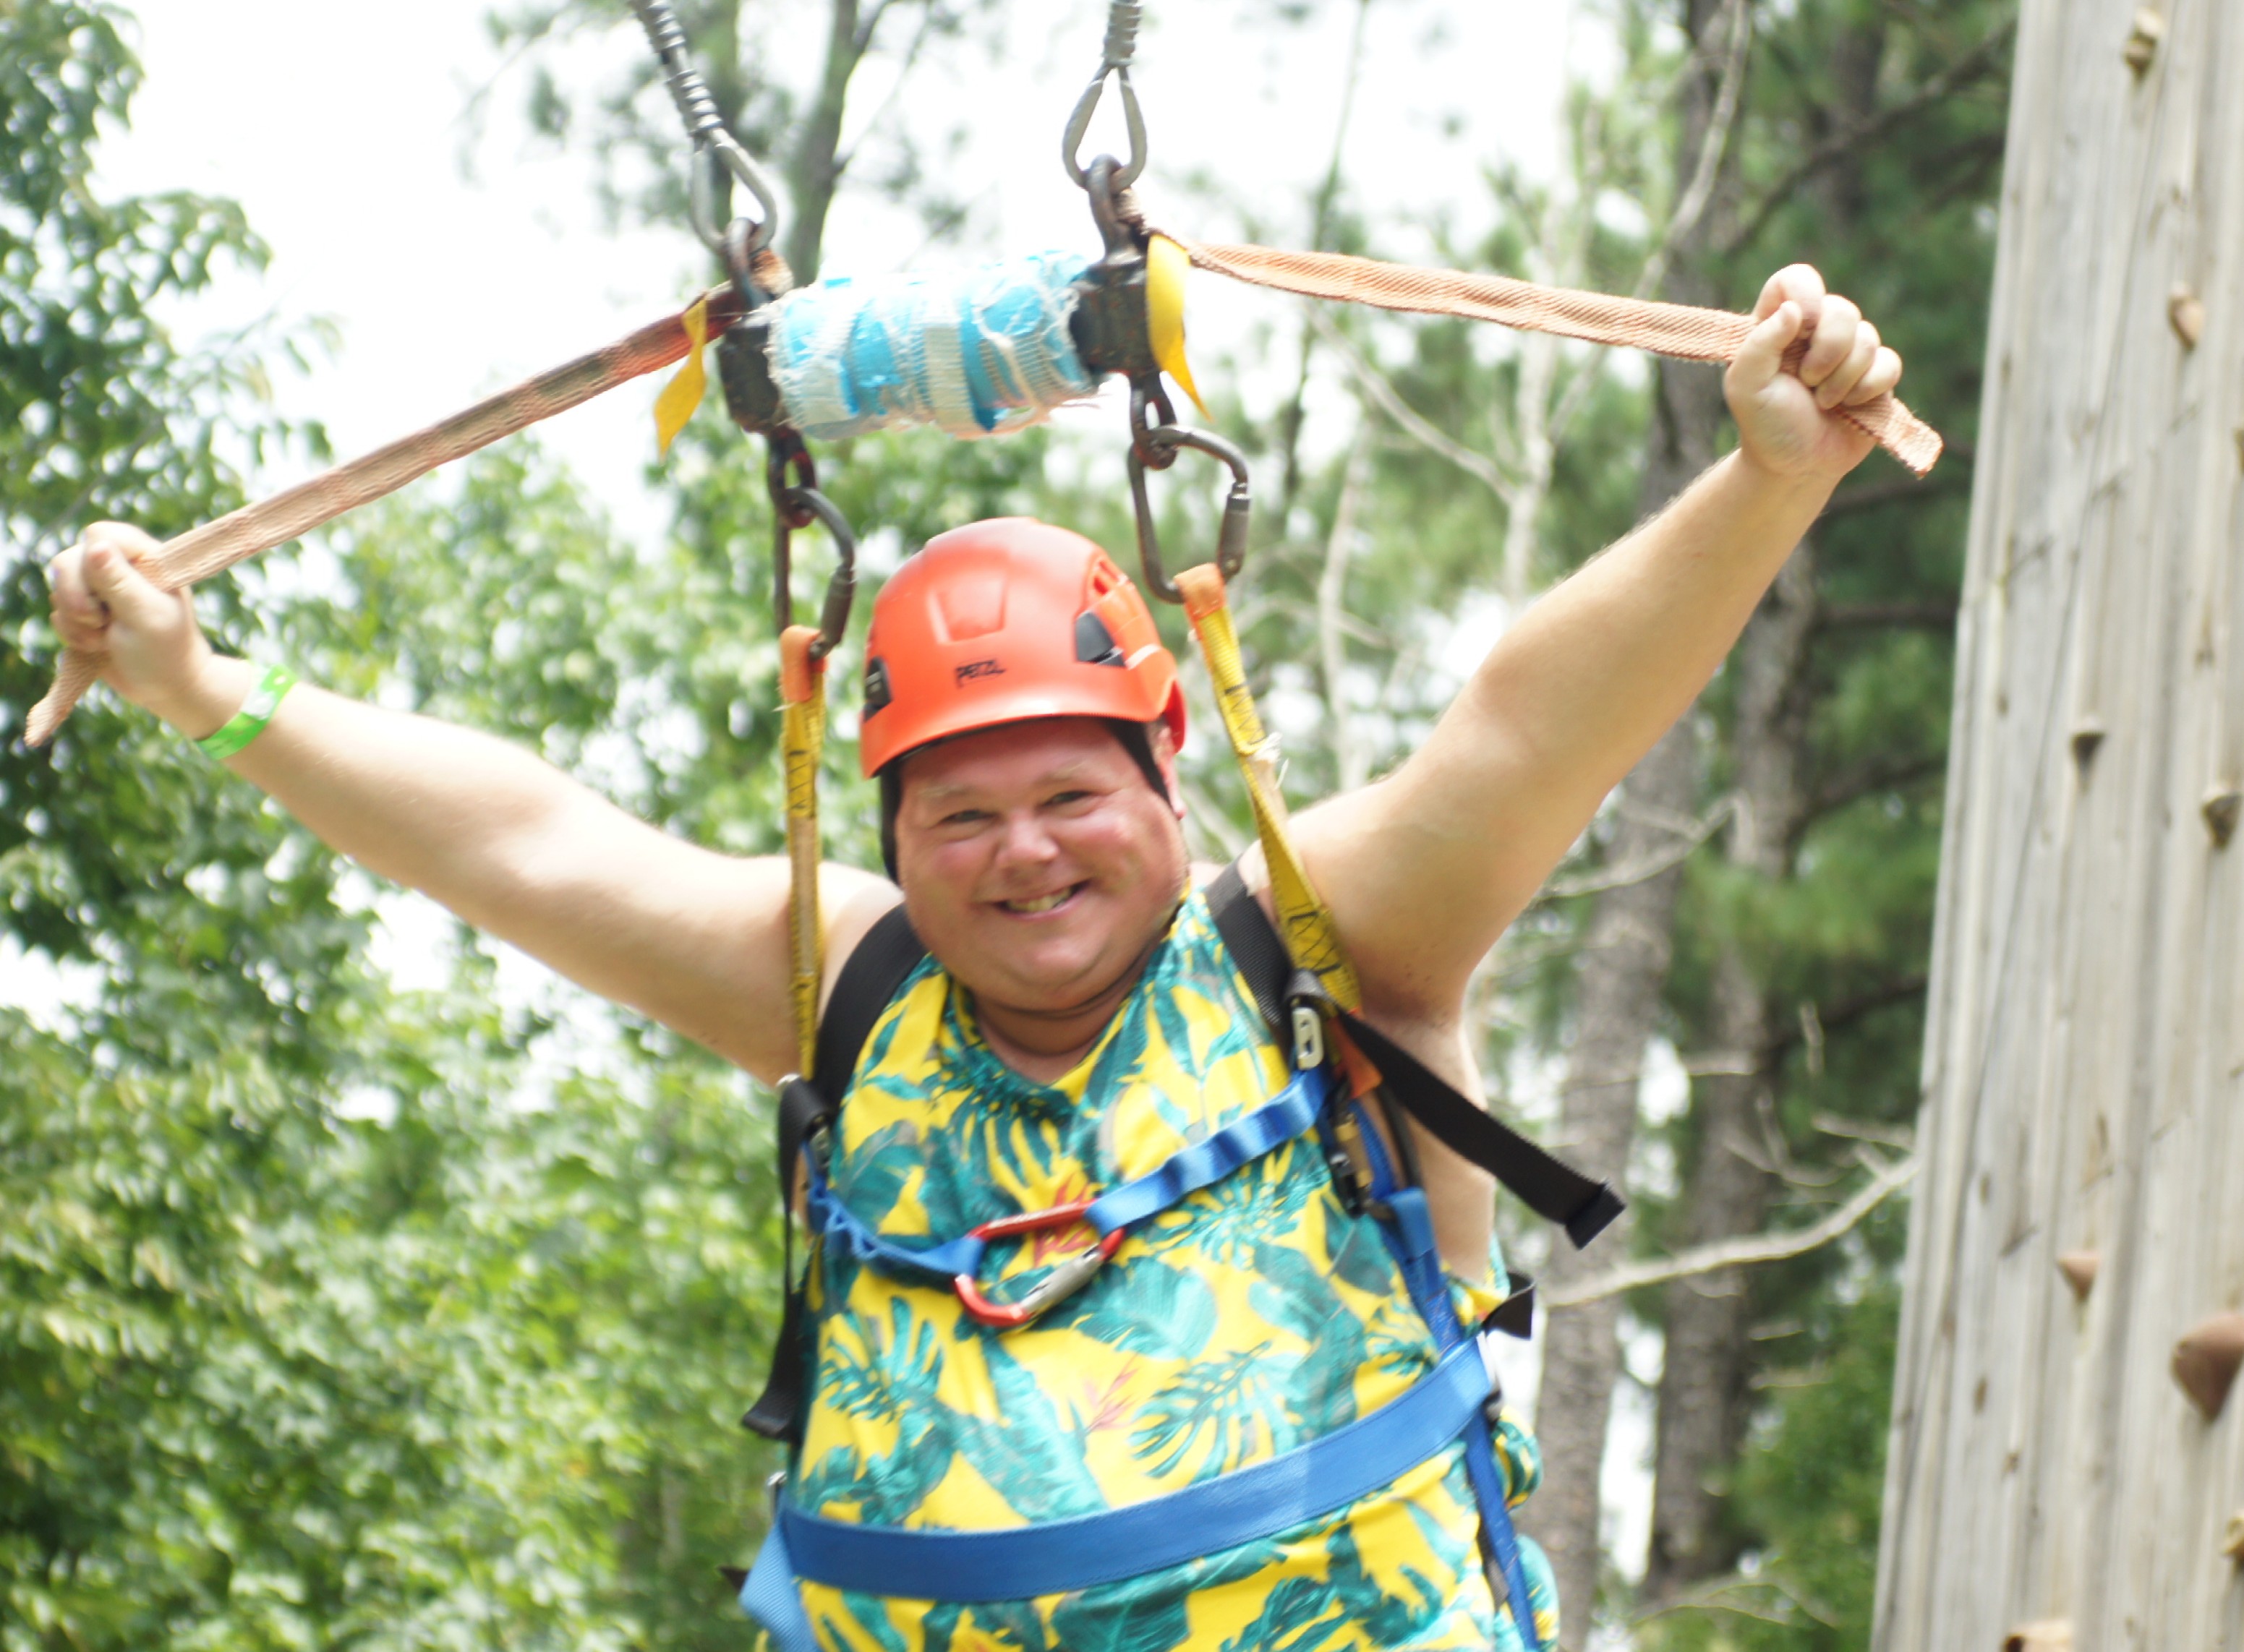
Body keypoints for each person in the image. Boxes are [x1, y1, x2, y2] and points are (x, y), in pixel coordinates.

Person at [48, 265, 1901, 1651]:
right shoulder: (849, 989)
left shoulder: (1319, 948)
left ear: (1167, 784)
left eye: (1068, 794)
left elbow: (1521, 728)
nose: (1022, 853)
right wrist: (208, 691)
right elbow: (531, 847)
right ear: (889, 836)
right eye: (958, 813)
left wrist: (1766, 480)